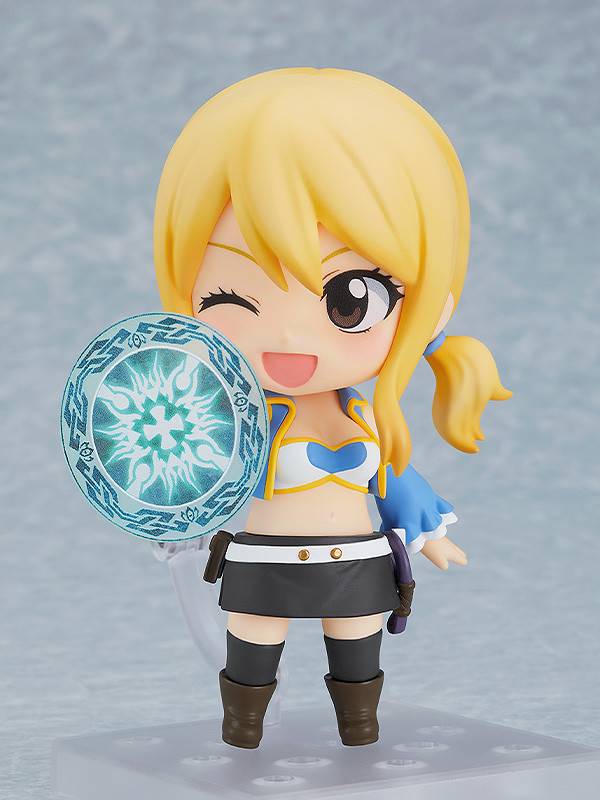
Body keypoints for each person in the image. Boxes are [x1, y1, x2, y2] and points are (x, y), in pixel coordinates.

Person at [153, 68, 511, 749]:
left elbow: (393, 479)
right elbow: (181, 462)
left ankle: (360, 730)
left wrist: (427, 533)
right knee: (252, 642)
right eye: (228, 297)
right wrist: (166, 510)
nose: (289, 336)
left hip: (357, 559)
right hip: (264, 561)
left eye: (350, 298)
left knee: (357, 643)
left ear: (430, 306)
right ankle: (242, 732)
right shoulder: (235, 414)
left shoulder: (367, 420)